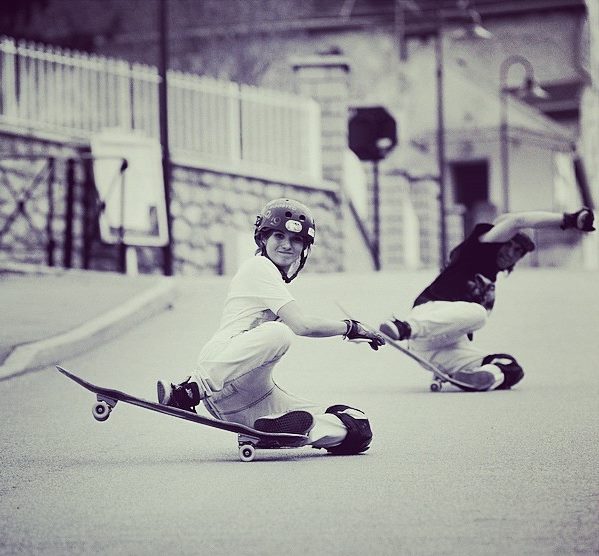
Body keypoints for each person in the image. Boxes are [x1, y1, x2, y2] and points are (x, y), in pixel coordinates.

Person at [157, 198, 385, 455]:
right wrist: (350, 327)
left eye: (296, 240)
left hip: (250, 398)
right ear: (263, 238)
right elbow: (302, 325)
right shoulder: (259, 267)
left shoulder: (275, 279)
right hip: (222, 373)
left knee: (356, 428)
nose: (287, 245)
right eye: (279, 235)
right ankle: (188, 391)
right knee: (281, 332)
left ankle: (273, 433)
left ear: (304, 248)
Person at [379, 207, 595, 392]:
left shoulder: (490, 285)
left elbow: (459, 324)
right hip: (424, 320)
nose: (511, 253)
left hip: (438, 350)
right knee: (478, 313)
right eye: (509, 245)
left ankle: (481, 377)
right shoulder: (475, 252)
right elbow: (517, 221)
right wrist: (569, 220)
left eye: (518, 252)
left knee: (510, 365)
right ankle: (402, 327)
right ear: (499, 241)